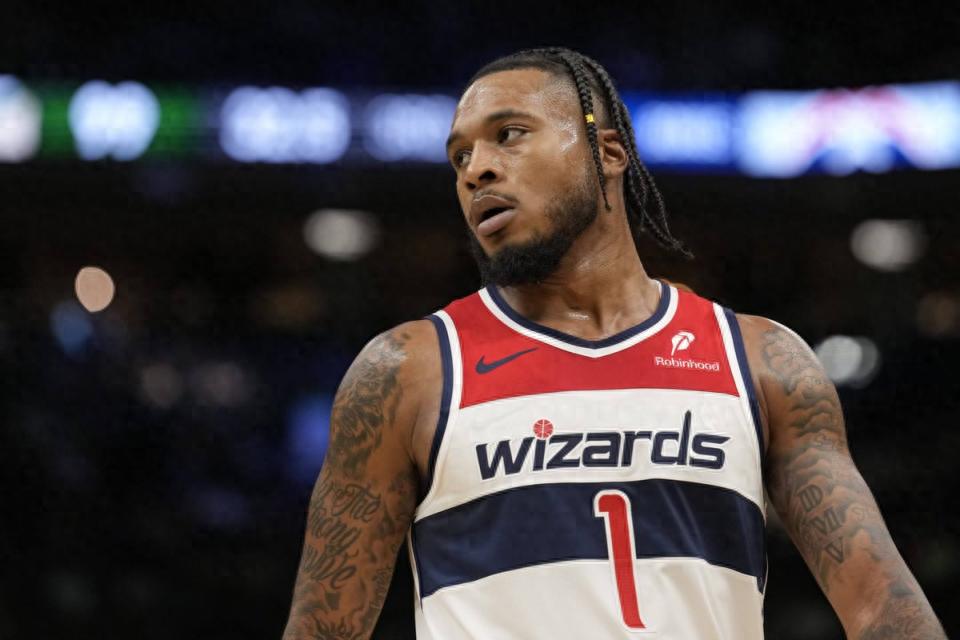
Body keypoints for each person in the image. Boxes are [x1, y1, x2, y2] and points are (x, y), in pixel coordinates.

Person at [282, 47, 945, 639]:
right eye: (460, 156)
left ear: (607, 152)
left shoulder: (761, 360)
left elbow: (883, 610)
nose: (475, 170)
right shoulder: (406, 372)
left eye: (508, 135)